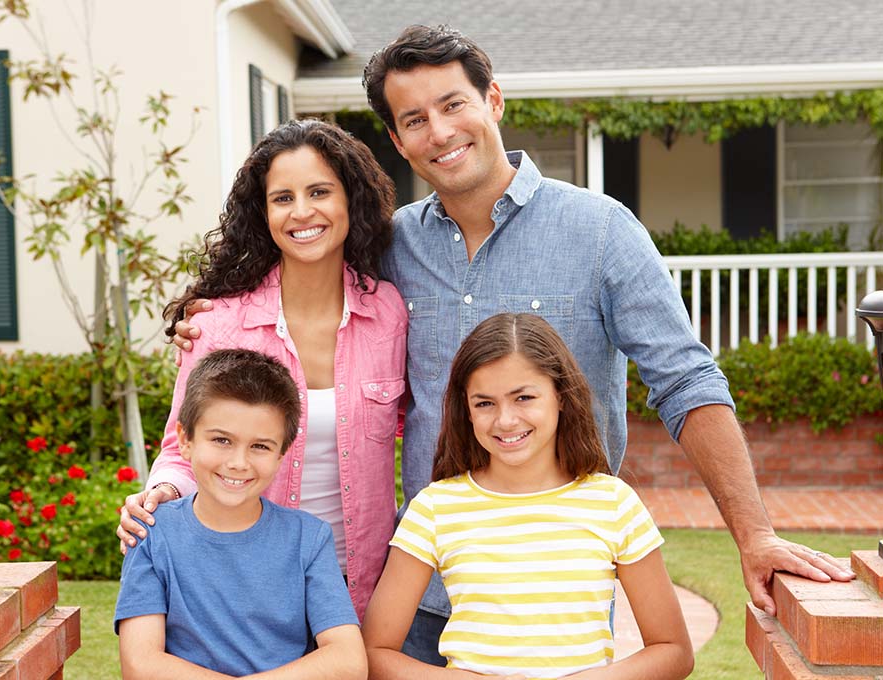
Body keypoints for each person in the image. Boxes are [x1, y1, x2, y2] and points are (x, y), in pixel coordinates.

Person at [166, 24, 854, 663]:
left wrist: (755, 534)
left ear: (493, 100)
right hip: (418, 592)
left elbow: (687, 383)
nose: (439, 131)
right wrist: (215, 318)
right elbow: (303, 272)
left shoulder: (601, 231)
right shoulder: (390, 249)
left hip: (553, 594)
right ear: (398, 141)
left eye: (453, 104)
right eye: (414, 120)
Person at [116, 119, 407, 620]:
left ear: (350, 200)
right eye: (282, 198)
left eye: (319, 191)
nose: (302, 212)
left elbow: (411, 426)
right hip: (246, 582)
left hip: (360, 583)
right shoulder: (217, 325)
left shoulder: (387, 313)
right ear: (263, 211)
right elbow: (182, 447)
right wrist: (161, 491)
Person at [362, 313, 693, 680]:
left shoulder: (613, 503)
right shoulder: (435, 508)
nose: (506, 420)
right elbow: (376, 653)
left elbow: (673, 651)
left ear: (561, 397)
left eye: (524, 397)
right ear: (466, 410)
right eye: (485, 403)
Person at [114, 349, 366, 679]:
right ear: (185, 440)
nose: (238, 462)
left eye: (260, 446)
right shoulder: (151, 533)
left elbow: (349, 660)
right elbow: (140, 664)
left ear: (281, 455)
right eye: (221, 440)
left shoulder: (309, 538)